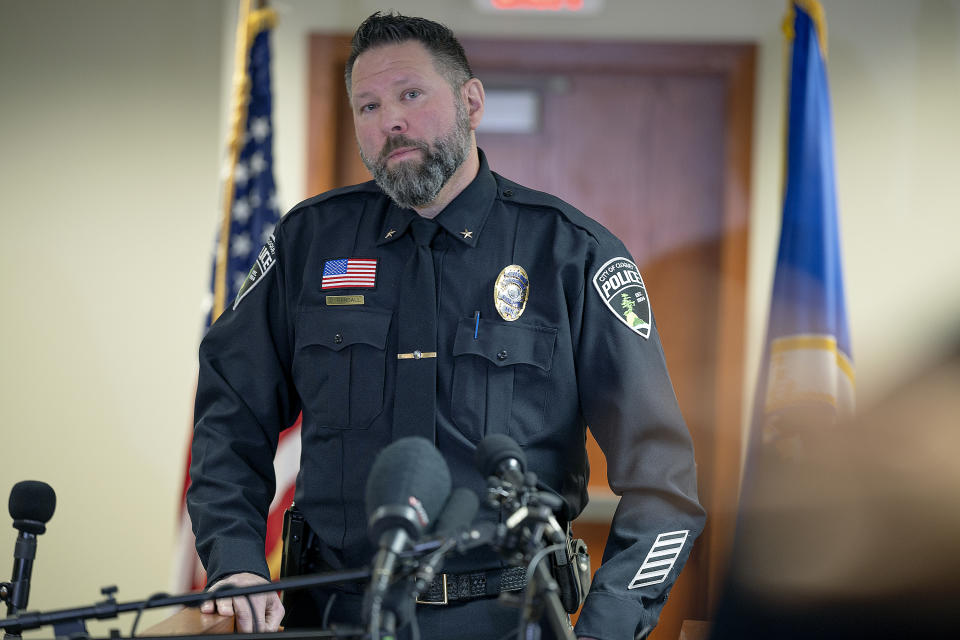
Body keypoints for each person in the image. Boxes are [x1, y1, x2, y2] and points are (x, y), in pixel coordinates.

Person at [188, 11, 705, 640]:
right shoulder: (310, 242)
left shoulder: (572, 254)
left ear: (471, 100)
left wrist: (606, 627)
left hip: (506, 619)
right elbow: (228, 416)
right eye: (368, 105)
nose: (390, 120)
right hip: (328, 614)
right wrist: (236, 561)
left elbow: (664, 484)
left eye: (410, 95)